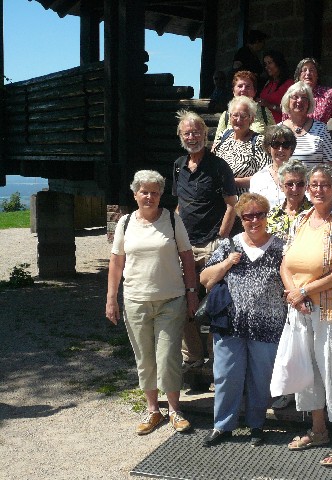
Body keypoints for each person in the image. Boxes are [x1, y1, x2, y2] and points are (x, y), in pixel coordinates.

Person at [281, 164, 332, 467]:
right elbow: (285, 264)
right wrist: (295, 294)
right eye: (314, 184)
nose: (318, 189)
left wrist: (303, 290)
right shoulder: (301, 219)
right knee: (308, 371)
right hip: (302, 309)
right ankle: (318, 431)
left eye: (325, 184)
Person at [106, 170, 198, 435]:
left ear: (161, 195)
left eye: (154, 192)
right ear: (135, 194)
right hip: (136, 300)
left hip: (171, 299)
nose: (149, 197)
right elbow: (116, 262)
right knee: (145, 358)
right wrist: (111, 298)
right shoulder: (125, 223)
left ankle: (175, 410)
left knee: (168, 356)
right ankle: (153, 410)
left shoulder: (172, 219)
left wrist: (192, 292)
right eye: (144, 192)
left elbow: (187, 257)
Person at [200, 193, 287, 448]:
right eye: (248, 216)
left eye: (259, 214)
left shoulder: (281, 248)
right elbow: (205, 279)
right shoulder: (229, 245)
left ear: (266, 216)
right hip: (231, 324)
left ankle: (256, 424)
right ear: (240, 218)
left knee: (261, 378)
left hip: (268, 325)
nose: (254, 220)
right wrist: (227, 263)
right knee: (226, 376)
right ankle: (222, 425)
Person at [173, 110, 238, 372]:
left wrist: (221, 239)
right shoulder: (178, 165)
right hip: (185, 245)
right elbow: (180, 205)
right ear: (181, 136)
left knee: (214, 303)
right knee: (183, 301)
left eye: (196, 132)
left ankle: (215, 361)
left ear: (205, 134)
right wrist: (175, 236)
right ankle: (192, 359)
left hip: (212, 243)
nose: (192, 137)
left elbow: (231, 205)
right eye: (187, 133)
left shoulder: (219, 166)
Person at [262, 158, 311, 410]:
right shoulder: (271, 215)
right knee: (280, 341)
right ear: (282, 186)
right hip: (274, 288)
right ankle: (283, 388)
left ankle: (303, 394)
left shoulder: (315, 213)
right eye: (290, 184)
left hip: (304, 288)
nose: (295, 189)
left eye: (300, 184)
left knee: (303, 343)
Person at [213, 96, 271, 195]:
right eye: (235, 115)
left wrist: (231, 182)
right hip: (219, 198)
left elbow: (265, 176)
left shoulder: (259, 142)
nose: (239, 120)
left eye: (243, 116)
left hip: (245, 200)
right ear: (230, 117)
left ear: (251, 119)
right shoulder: (223, 136)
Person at [279, 81, 332, 169]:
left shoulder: (321, 129)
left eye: (304, 98)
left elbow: (329, 165)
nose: (299, 100)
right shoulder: (278, 129)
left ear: (309, 103)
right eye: (295, 97)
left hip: (312, 178)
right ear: (287, 101)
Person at [214, 71, 275, 142]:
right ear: (233, 91)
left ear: (255, 91)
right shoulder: (226, 115)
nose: (243, 89)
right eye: (240, 86)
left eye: (248, 86)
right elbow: (217, 143)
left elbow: (274, 139)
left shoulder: (264, 113)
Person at [282, 57, 332, 124]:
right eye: (304, 70)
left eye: (311, 70)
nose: (308, 73)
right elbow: (285, 121)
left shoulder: (328, 94)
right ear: (299, 75)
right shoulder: (292, 93)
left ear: (317, 75)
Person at [249, 125, 297, 208]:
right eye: (276, 144)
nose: (280, 149)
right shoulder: (258, 178)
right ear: (268, 148)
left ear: (291, 149)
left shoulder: (300, 176)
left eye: (286, 145)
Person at [258, 51, 294, 123]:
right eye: (265, 64)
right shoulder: (268, 83)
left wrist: (269, 105)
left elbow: (292, 110)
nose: (267, 67)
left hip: (281, 125)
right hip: (265, 125)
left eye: (270, 63)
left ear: (278, 63)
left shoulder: (289, 84)